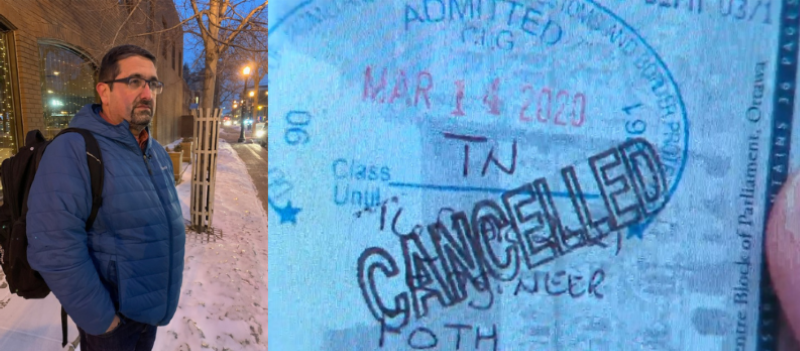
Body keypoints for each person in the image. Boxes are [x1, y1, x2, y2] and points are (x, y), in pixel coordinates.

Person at [25, 44, 185, 351]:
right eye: (134, 82)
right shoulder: (73, 150)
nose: (147, 93)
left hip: (147, 315)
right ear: (104, 91)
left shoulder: (156, 151)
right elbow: (53, 247)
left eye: (153, 84)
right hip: (112, 325)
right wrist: (103, 321)